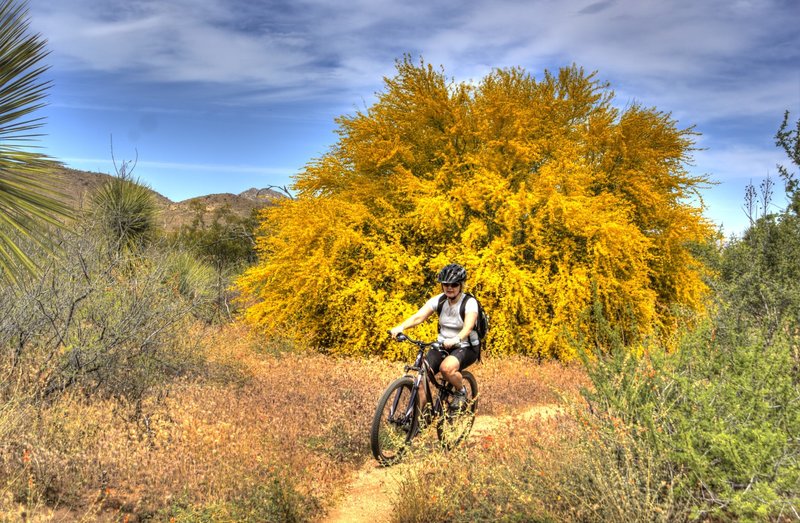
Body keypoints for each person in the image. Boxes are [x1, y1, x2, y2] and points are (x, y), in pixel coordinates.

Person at [389, 263, 480, 411]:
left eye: (454, 284)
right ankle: (418, 420)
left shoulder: (469, 303)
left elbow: (468, 327)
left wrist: (456, 339)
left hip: (466, 346)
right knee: (421, 376)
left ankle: (460, 391)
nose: (449, 288)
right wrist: (401, 327)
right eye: (446, 284)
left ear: (461, 285)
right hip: (442, 344)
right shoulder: (439, 300)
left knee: (446, 369)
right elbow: (419, 317)